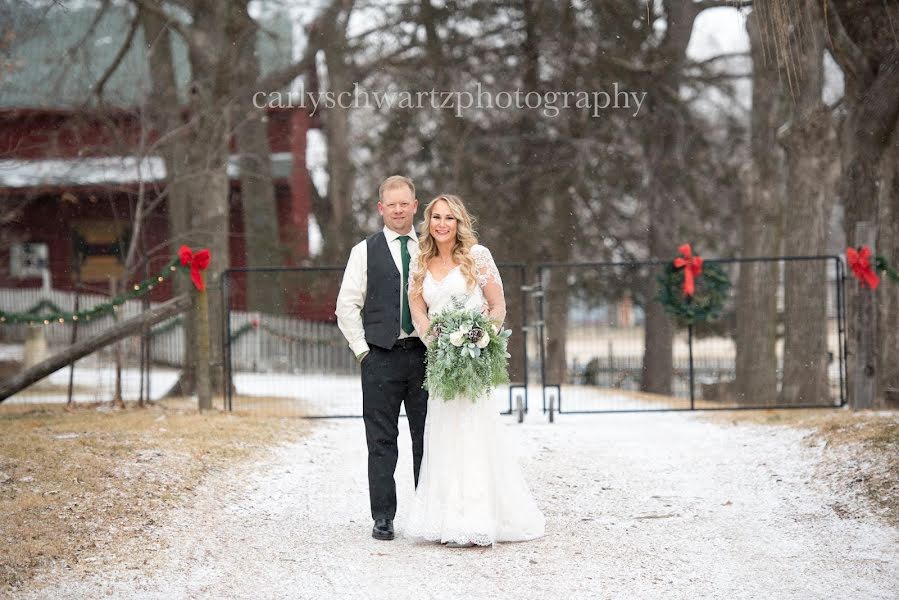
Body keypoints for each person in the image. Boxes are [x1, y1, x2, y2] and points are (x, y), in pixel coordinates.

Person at [405, 194, 545, 547]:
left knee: (473, 435)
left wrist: (482, 336)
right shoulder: (420, 262)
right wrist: (431, 338)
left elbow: (497, 305)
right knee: (443, 436)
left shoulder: (478, 257)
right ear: (428, 222)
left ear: (459, 222)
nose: (441, 224)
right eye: (436, 217)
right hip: (440, 361)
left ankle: (479, 517)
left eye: (449, 218)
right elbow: (418, 310)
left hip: (473, 361)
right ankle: (446, 518)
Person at [335, 175, 428, 542]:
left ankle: (427, 512)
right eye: (392, 204)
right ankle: (383, 517)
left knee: (428, 438)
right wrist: (362, 351)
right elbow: (347, 305)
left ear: (415, 205)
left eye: (405, 203)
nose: (399, 210)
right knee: (381, 441)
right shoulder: (364, 251)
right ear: (381, 209)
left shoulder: (430, 250)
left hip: (425, 357)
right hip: (380, 358)